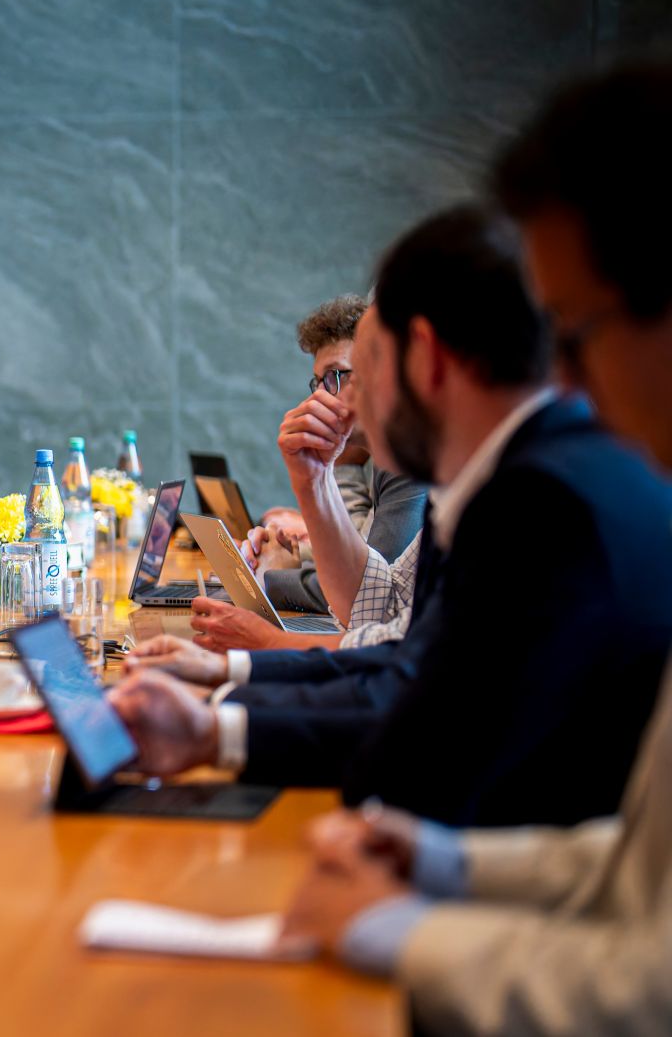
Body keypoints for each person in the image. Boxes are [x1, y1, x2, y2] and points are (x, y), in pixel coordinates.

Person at [280, 59, 672, 1035]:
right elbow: (639, 863)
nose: (561, 386)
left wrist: (396, 930)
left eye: (572, 334)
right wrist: (445, 864)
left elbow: (654, 981)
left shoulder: (548, 498)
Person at [109, 202, 672, 829]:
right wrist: (227, 671)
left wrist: (217, 726)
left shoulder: (536, 503)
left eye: (363, 371)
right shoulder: (502, 480)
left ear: (425, 358)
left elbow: (421, 712)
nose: (345, 405)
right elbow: (391, 634)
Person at [252, 295, 428, 616]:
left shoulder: (410, 457)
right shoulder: (377, 459)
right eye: (318, 382)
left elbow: (371, 596)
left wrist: (271, 577)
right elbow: (367, 565)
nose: (320, 396)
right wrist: (299, 553)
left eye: (336, 376)